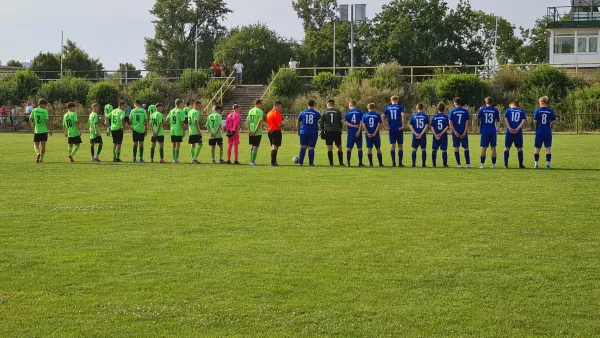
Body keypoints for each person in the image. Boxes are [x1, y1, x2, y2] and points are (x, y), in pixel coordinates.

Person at [533, 96, 557, 169]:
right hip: (547, 132)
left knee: (537, 149)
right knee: (548, 148)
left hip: (539, 131)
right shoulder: (550, 110)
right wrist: (552, 127)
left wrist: (536, 128)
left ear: (541, 102)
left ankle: (536, 164)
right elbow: (553, 122)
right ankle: (547, 164)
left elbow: (535, 121)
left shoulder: (537, 110)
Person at [296, 99, 322, 166]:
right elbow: (321, 121)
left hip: (303, 131)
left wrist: (298, 130)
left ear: (307, 105)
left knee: (303, 147)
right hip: (313, 131)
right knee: (311, 147)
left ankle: (300, 163)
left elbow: (298, 121)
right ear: (314, 105)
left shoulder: (303, 112)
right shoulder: (316, 113)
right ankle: (311, 163)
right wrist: (321, 129)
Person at [477, 97, 500, 169]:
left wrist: (477, 126)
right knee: (493, 148)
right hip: (493, 131)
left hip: (484, 131)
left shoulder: (482, 110)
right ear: (492, 102)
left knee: (484, 148)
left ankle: (482, 164)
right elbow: (498, 120)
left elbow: (477, 119)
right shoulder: (495, 110)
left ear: (485, 102)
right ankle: (493, 164)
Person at [383, 95, 406, 167]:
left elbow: (382, 116)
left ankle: (393, 163)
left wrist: (385, 126)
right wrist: (404, 125)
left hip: (391, 129)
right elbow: (403, 115)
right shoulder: (400, 107)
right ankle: (400, 163)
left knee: (392, 146)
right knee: (400, 146)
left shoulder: (388, 107)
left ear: (391, 100)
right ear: (397, 100)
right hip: (399, 128)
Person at [503, 100, 527, 169]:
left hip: (509, 132)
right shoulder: (521, 111)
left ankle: (505, 164)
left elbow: (505, 119)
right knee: (519, 148)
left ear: (512, 104)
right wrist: (517, 129)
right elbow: (523, 121)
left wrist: (509, 128)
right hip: (518, 132)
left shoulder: (508, 110)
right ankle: (521, 164)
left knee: (507, 148)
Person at [449, 97, 471, 168]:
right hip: (463, 131)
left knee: (456, 147)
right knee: (466, 148)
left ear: (454, 103)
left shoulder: (452, 111)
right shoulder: (465, 111)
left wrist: (455, 132)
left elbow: (450, 123)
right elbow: (467, 122)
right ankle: (468, 164)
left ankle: (459, 164)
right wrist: (465, 132)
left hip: (456, 132)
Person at [321, 99, 344, 166]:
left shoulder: (324, 111)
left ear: (328, 104)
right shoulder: (337, 111)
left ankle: (331, 163)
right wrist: (340, 129)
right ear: (333, 104)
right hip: (337, 131)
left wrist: (322, 130)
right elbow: (340, 122)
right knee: (339, 146)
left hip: (328, 131)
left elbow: (321, 122)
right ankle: (341, 163)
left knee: (329, 147)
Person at [361, 103, 384, 167]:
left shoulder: (364, 115)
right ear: (374, 107)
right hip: (376, 135)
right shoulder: (377, 115)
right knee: (378, 148)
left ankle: (371, 164)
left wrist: (367, 132)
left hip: (368, 135)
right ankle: (380, 164)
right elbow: (379, 125)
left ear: (368, 108)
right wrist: (375, 133)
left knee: (369, 149)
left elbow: (364, 125)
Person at [30, 99, 52, 163]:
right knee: (43, 146)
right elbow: (47, 121)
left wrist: (32, 126)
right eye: (45, 105)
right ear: (42, 104)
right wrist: (50, 130)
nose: (45, 106)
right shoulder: (45, 111)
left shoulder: (34, 110)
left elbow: (30, 119)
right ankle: (41, 159)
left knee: (36, 145)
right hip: (44, 131)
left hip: (37, 131)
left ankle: (37, 153)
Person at [344, 101, 364, 167]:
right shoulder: (360, 112)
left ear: (351, 105)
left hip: (351, 131)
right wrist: (359, 130)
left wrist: (353, 126)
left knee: (349, 148)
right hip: (358, 131)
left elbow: (346, 122)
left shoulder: (348, 112)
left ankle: (348, 163)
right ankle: (360, 163)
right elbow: (361, 122)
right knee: (359, 148)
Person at [167, 99, 186, 164]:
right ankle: (176, 159)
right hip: (178, 130)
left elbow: (167, 119)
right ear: (180, 103)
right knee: (178, 145)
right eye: (182, 103)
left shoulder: (171, 111)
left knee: (173, 145)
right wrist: (183, 131)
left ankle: (173, 159)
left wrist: (171, 124)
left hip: (172, 130)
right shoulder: (181, 111)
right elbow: (182, 122)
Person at [430, 103, 450, 168]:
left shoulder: (435, 117)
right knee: (444, 150)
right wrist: (441, 133)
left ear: (437, 108)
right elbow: (447, 126)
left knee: (434, 150)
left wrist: (435, 134)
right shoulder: (446, 117)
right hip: (443, 136)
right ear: (444, 109)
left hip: (435, 136)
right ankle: (444, 164)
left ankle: (434, 164)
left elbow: (432, 127)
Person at [266, 101, 284, 166]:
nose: (280, 108)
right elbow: (279, 124)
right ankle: (273, 162)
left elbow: (267, 123)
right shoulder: (277, 113)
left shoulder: (269, 113)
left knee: (273, 146)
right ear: (276, 105)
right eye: (280, 106)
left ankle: (273, 161)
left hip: (270, 131)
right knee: (275, 147)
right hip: (276, 131)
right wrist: (283, 124)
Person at [247, 99, 264, 166]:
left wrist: (249, 130)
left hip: (251, 131)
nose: (262, 105)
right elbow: (259, 122)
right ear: (258, 104)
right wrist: (255, 131)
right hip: (257, 132)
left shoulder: (250, 110)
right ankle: (252, 161)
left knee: (252, 146)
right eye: (262, 103)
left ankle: (251, 161)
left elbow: (248, 121)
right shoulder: (260, 111)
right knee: (255, 146)